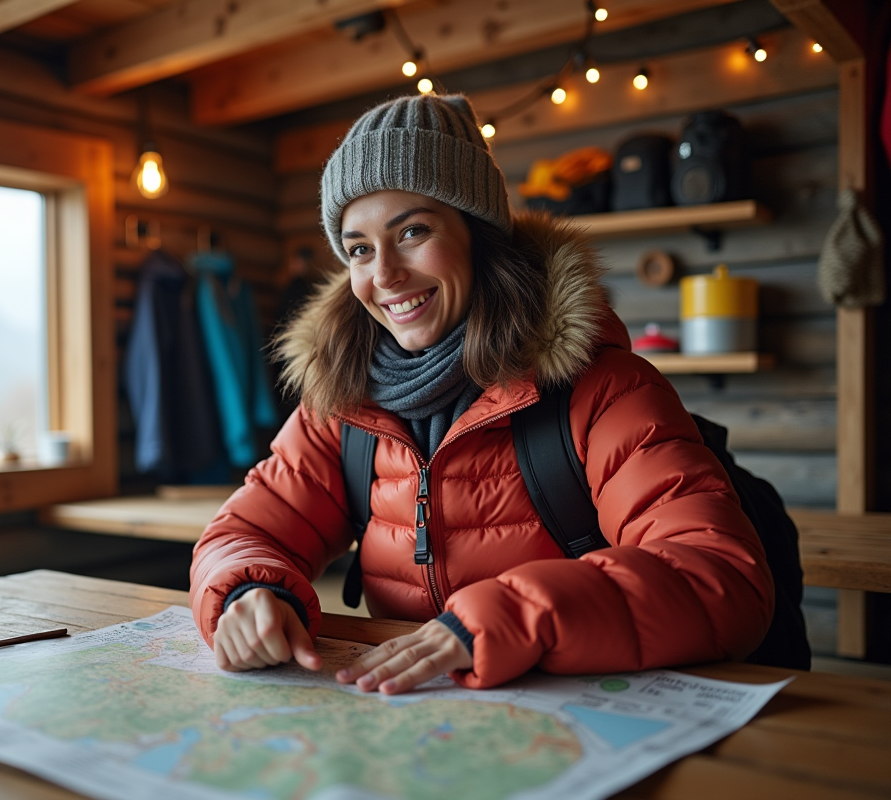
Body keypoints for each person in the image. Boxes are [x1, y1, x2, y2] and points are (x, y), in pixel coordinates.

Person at [190, 93, 774, 694]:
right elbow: (242, 535)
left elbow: (720, 577)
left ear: (478, 234)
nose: (384, 274)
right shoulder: (342, 401)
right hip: (410, 720)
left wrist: (506, 619)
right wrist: (247, 590)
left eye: (412, 231)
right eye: (359, 248)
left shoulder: (602, 390)